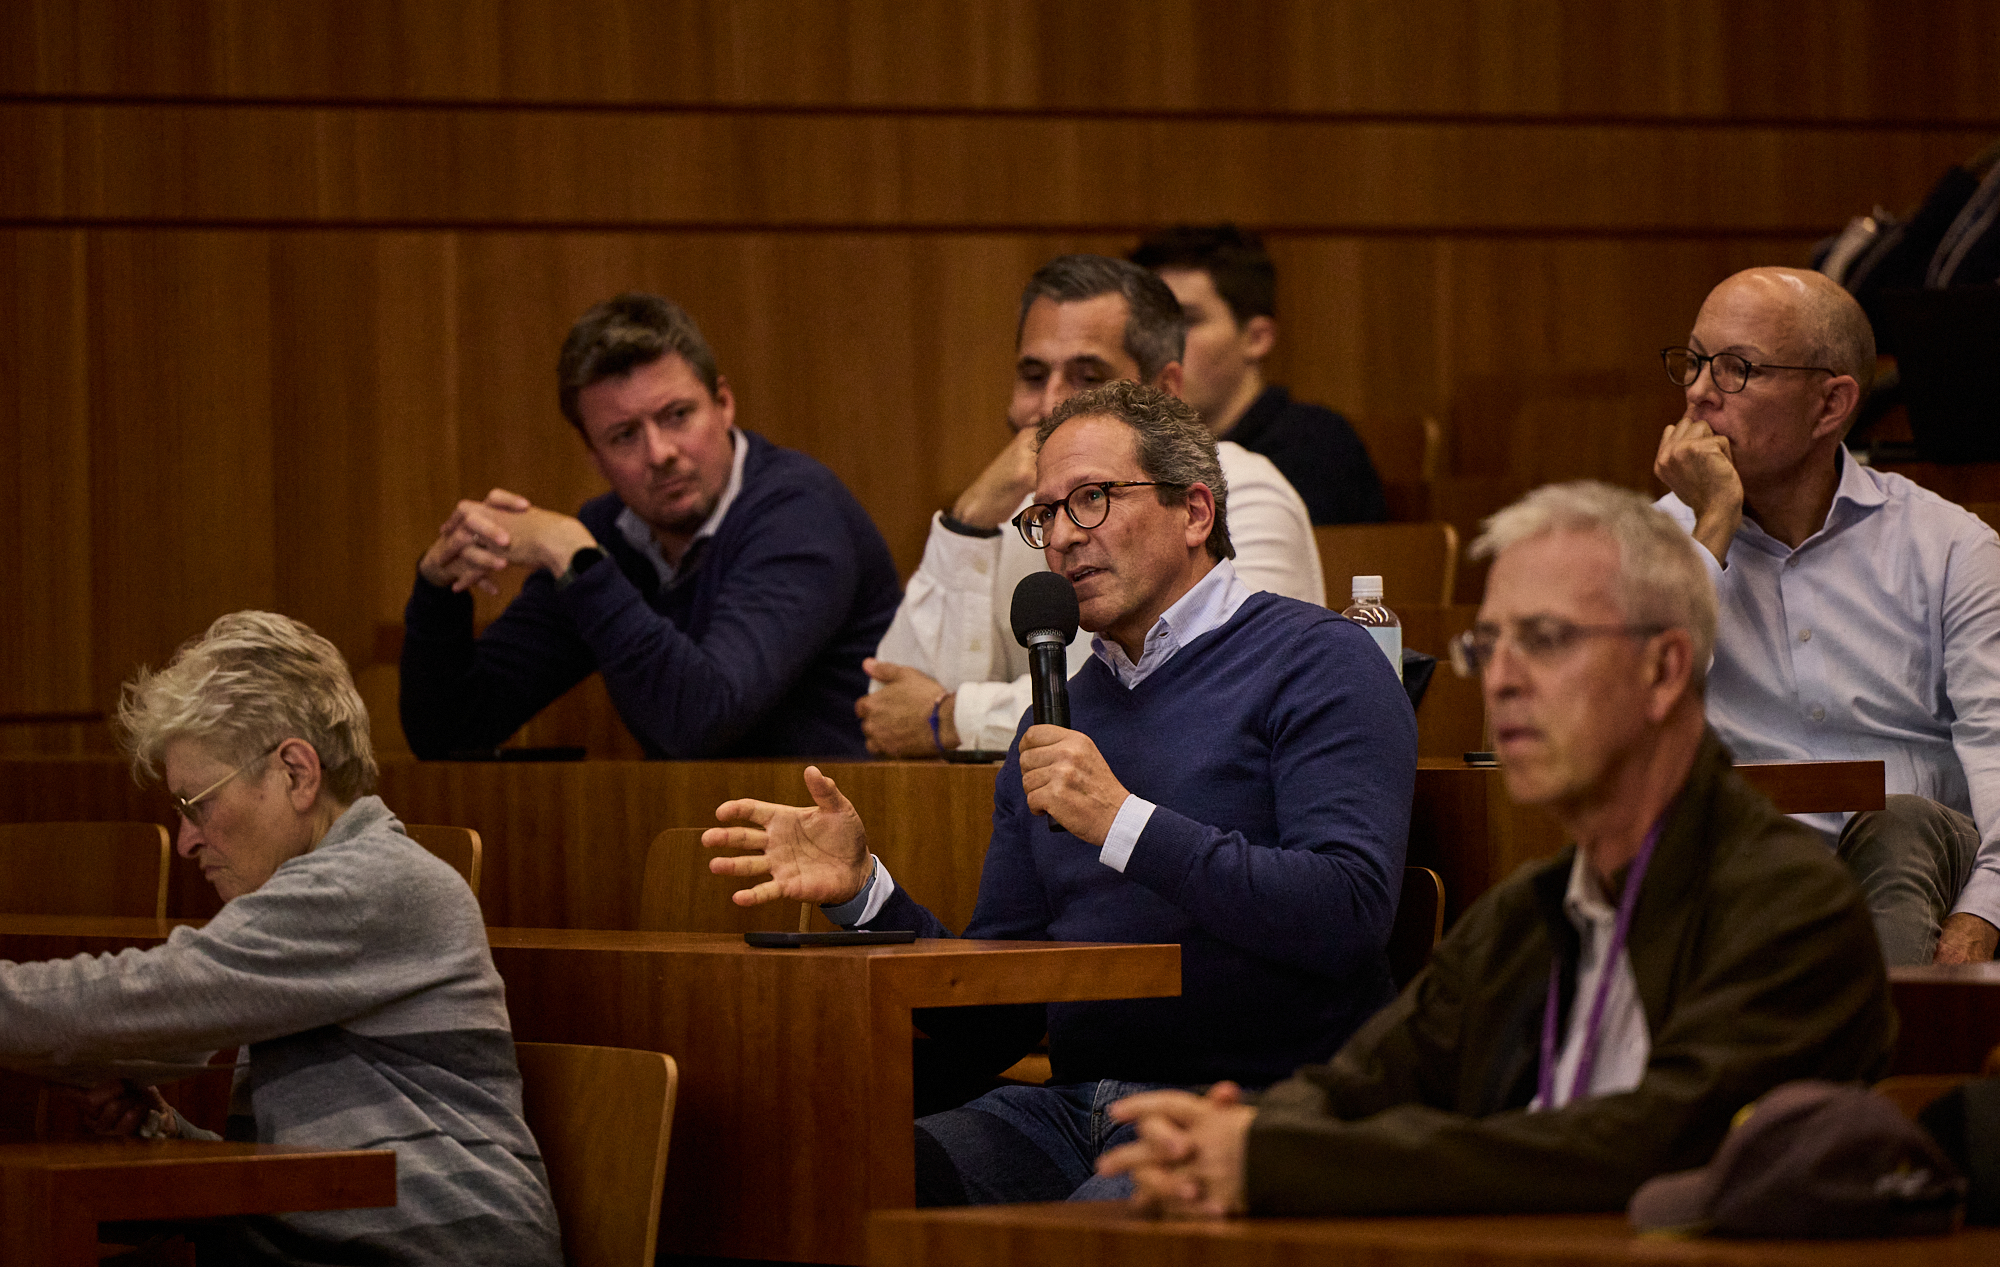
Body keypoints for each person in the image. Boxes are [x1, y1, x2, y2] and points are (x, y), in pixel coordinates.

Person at [1099, 481, 1895, 1218]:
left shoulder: (1790, 905)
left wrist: (1278, 1159)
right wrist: (1228, 1140)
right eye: (1488, 645)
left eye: (1544, 640)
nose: (1501, 680)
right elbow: (1364, 1083)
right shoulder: (1527, 913)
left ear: (1663, 669)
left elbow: (1643, 1149)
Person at [706, 383, 1415, 1206]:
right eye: (1046, 515)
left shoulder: (1319, 659)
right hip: (1065, 1109)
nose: (1065, 537)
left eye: (1093, 498)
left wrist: (1122, 823)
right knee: (823, 1189)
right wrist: (865, 894)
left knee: (1086, 1236)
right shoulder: (1057, 717)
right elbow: (1000, 1010)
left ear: (1194, 512)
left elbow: (1348, 911)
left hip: (1246, 1108)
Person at [0, 611, 561, 1264]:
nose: (186, 841)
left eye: (196, 804)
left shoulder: (369, 883)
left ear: (295, 772)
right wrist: (167, 1135)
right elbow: (307, 1185)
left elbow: (150, 997)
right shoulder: (308, 906)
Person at [1654, 266, 2000, 965]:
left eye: (1736, 369)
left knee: (1899, 823)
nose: (1698, 392)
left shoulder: (1950, 548)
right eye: (1693, 361)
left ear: (1831, 404)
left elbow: (1997, 750)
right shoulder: (1652, 548)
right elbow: (1630, 716)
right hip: (1740, 886)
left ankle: (1894, 1022)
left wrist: (1983, 916)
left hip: (1920, 880)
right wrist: (1712, 525)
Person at [400, 292, 901, 759]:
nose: (660, 453)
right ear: (594, 455)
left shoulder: (800, 512)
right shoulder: (606, 536)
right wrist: (438, 588)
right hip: (701, 816)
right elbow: (450, 732)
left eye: (677, 415)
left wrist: (574, 556)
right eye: (624, 436)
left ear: (724, 403)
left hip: (847, 816)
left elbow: (703, 718)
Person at [861, 254, 1323, 758]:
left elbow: (1212, 694)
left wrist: (953, 718)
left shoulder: (1237, 487)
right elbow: (891, 711)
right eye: (1034, 375)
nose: (1050, 405)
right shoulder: (1024, 516)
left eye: (1087, 378)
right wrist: (969, 523)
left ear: (1165, 389)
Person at [1130, 223, 1386, 525]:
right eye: (1148, 324)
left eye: (1186, 321)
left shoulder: (1317, 447)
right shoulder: (1137, 446)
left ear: (1257, 338)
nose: (1157, 343)